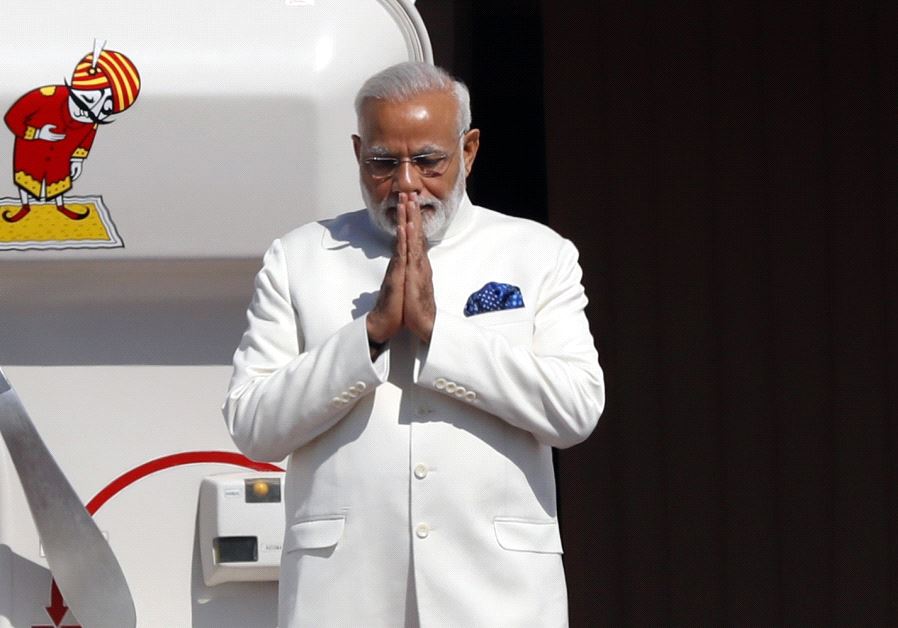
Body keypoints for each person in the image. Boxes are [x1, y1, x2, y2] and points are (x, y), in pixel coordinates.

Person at [223, 61, 604, 627]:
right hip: (343, 598)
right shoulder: (300, 258)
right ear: (358, 154)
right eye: (383, 163)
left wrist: (438, 333)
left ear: (468, 151)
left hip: (496, 597)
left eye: (428, 161)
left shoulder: (535, 253)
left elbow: (575, 410)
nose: (405, 183)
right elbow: (254, 425)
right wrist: (370, 335)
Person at [2, 43, 140, 223]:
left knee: (58, 179)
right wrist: (36, 133)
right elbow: (12, 118)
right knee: (27, 177)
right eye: (89, 99)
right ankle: (25, 206)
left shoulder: (91, 121)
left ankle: (60, 206)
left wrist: (78, 159)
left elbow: (87, 138)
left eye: (105, 109)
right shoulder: (45, 97)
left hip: (62, 155)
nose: (90, 111)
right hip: (31, 150)